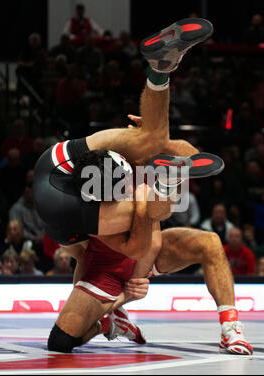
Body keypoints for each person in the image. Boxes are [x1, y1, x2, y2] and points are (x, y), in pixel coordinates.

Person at [46, 18, 252, 356]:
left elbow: (196, 159)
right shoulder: (103, 160)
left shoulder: (157, 149)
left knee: (209, 242)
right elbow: (79, 244)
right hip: (110, 262)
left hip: (150, 249)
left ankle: (231, 328)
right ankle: (109, 322)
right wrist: (123, 296)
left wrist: (165, 141)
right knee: (61, 342)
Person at [33, 17, 216, 249]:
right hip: (56, 168)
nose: (133, 184)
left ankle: (160, 69)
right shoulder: (85, 221)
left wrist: (151, 133)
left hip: (61, 169)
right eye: (128, 181)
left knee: (150, 206)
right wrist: (153, 131)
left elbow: (138, 250)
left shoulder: (103, 215)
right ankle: (159, 72)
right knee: (163, 152)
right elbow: (138, 250)